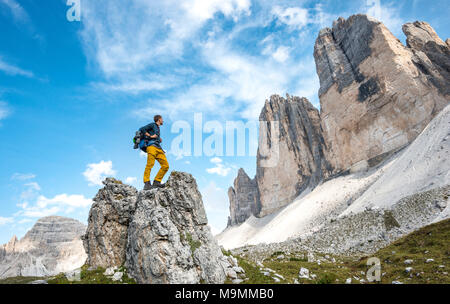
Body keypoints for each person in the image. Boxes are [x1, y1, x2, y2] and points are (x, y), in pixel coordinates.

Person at [139, 115, 169, 190]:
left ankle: (156, 182)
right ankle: (147, 183)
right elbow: (142, 129)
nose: (163, 120)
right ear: (159, 119)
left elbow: (156, 136)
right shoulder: (152, 125)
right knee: (150, 165)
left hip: (158, 148)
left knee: (165, 166)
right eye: (162, 119)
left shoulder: (158, 128)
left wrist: (159, 138)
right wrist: (150, 136)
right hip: (151, 147)